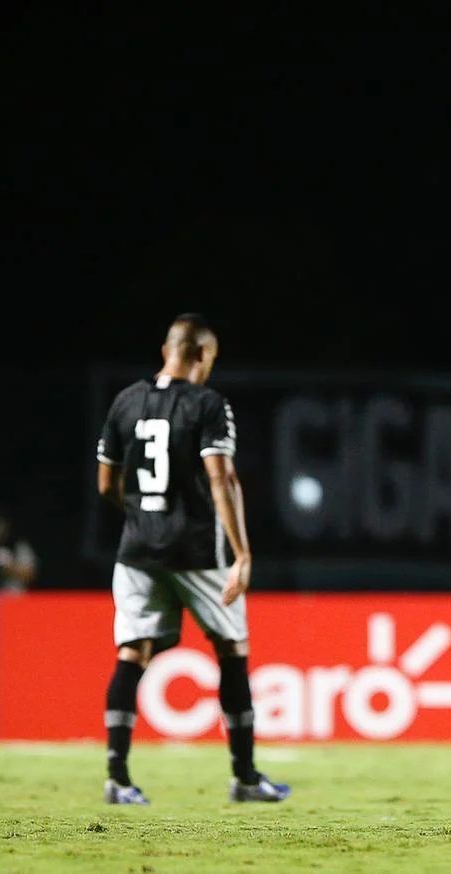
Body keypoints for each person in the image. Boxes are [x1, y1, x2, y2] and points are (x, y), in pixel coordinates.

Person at [95, 314, 289, 805]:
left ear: (167, 350)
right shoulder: (207, 403)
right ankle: (244, 777)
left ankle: (117, 778)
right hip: (198, 550)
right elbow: (222, 478)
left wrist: (142, 514)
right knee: (231, 649)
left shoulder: (125, 401)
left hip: (136, 549)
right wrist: (243, 553)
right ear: (202, 354)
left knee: (131, 654)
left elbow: (105, 484)